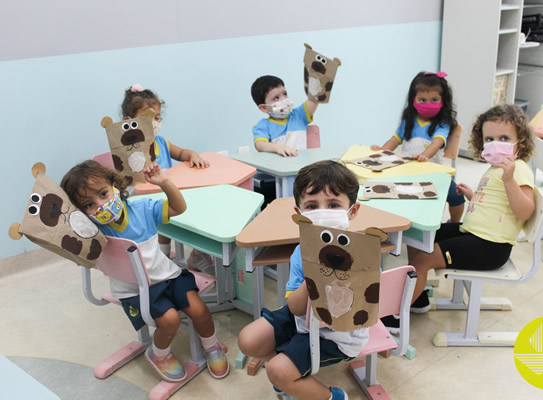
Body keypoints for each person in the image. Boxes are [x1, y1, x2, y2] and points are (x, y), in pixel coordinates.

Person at [61, 160, 229, 382]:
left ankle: (211, 346)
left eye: (103, 194)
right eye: (89, 205)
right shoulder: (93, 232)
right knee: (170, 321)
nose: (100, 205)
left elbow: (179, 208)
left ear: (115, 186)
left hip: (167, 275)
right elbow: (82, 257)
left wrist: (164, 182)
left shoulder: (142, 208)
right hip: (134, 291)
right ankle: (159, 354)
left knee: (200, 310)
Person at [383, 104, 536, 331]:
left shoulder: (518, 169)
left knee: (424, 259)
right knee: (420, 236)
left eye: (504, 138)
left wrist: (509, 180)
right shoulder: (495, 168)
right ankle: (418, 294)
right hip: (474, 233)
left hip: (491, 246)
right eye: (490, 139)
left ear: (520, 141)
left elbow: (524, 212)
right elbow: (497, 205)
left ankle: (396, 315)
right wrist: (473, 196)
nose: (496, 143)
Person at [238, 160, 366, 400]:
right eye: (312, 205)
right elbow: (295, 307)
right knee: (249, 339)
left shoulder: (362, 253)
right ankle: (288, 381)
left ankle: (333, 397)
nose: (323, 212)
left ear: (353, 211)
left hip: (339, 335)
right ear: (299, 214)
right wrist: (316, 274)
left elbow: (359, 311)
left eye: (334, 204)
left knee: (277, 370)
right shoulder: (300, 252)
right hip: (302, 316)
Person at [121, 83, 213, 272]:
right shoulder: (128, 151)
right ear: (128, 121)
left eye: (158, 117)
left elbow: (182, 153)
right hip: (142, 200)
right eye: (148, 118)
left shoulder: (161, 142)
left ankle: (195, 253)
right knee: (163, 215)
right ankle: (161, 259)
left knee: (194, 207)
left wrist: (192, 155)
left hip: (166, 194)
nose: (154, 122)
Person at [370, 71, 465, 223]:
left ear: (443, 101)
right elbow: (394, 140)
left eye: (434, 99)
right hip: (407, 171)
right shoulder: (409, 121)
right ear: (413, 100)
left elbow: (437, 142)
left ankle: (454, 223)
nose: (428, 104)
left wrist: (425, 155)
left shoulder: (442, 123)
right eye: (422, 100)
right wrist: (380, 152)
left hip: (433, 172)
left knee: (457, 195)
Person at [251, 75, 318, 157]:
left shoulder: (298, 115)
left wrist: (317, 87)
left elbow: (314, 100)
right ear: (264, 108)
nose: (284, 99)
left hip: (303, 167)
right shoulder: (263, 125)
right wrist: (278, 148)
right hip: (278, 168)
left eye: (285, 94)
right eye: (276, 98)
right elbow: (260, 145)